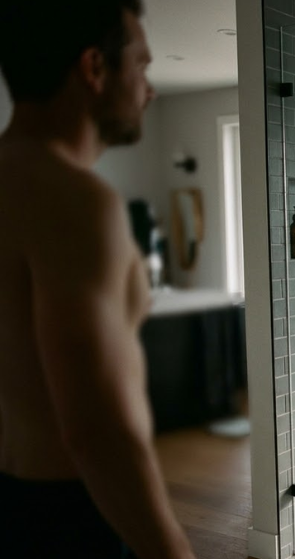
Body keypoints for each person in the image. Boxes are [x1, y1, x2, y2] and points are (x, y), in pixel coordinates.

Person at [0, 1, 196, 557]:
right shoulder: (76, 201)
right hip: (73, 516)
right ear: (94, 68)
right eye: (142, 65)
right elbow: (97, 429)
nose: (150, 89)